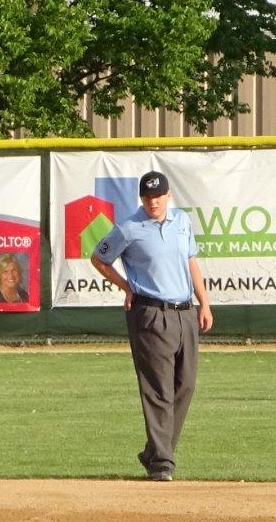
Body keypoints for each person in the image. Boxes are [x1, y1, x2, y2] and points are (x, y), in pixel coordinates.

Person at [89, 170, 214, 480]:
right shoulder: (129, 228)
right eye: (147, 196)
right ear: (141, 198)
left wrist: (204, 302)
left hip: (185, 311)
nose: (153, 201)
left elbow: (191, 261)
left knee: (185, 386)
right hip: (151, 312)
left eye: (157, 196)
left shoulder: (181, 221)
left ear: (168, 196)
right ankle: (161, 463)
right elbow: (99, 258)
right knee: (158, 389)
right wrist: (127, 287)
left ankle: (154, 451)